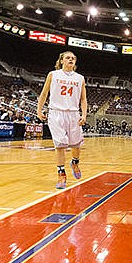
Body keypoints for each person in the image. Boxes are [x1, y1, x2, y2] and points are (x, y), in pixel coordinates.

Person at [37, 51, 88, 190]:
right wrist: (39, 110)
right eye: (68, 58)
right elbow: (44, 93)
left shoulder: (80, 78)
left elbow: (83, 99)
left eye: (73, 58)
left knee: (76, 145)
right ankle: (61, 173)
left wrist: (84, 115)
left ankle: (75, 162)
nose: (71, 59)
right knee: (60, 145)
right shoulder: (53, 74)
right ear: (61, 61)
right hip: (56, 113)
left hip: (73, 113)